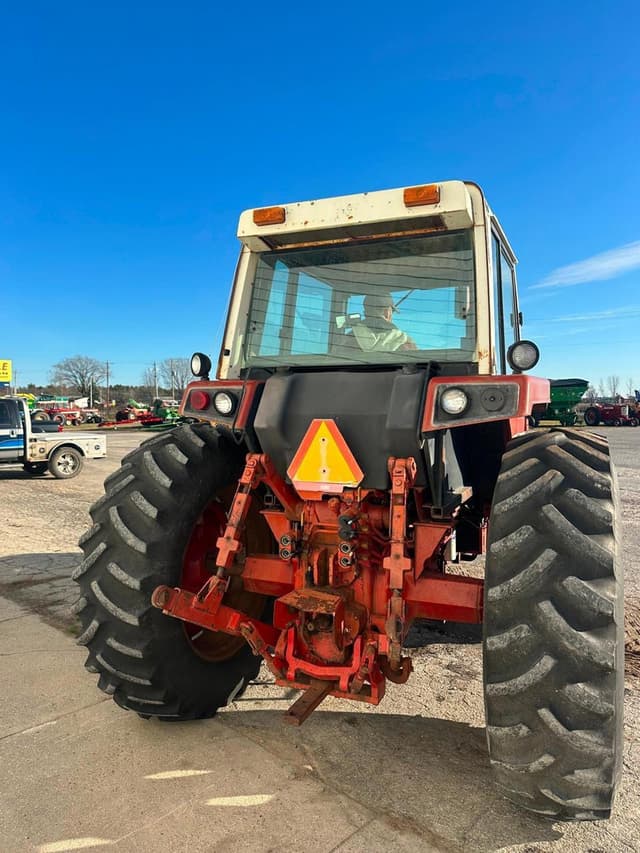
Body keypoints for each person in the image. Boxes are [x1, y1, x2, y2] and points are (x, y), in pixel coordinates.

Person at [351, 291, 417, 352]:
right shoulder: (405, 341)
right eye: (392, 311)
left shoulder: (349, 338)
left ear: (365, 313)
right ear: (387, 313)